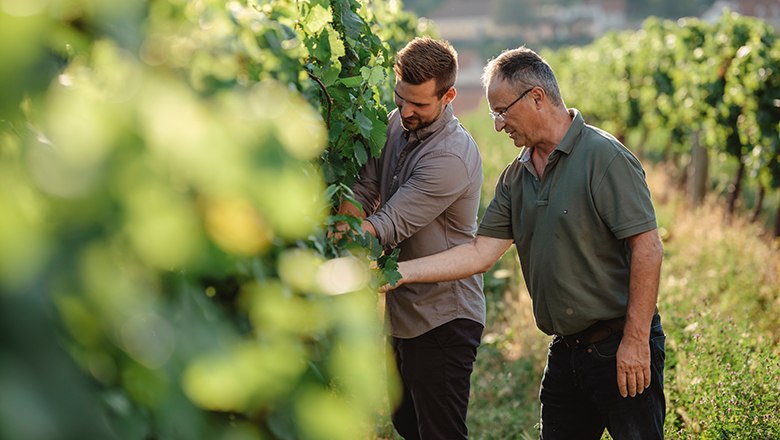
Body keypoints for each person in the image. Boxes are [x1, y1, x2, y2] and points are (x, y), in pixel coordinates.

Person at [383, 46, 666, 439]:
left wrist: (636, 341)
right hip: (566, 351)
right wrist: (395, 274)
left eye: (501, 112)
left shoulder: (604, 158)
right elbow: (480, 252)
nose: (498, 125)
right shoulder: (516, 177)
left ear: (536, 97)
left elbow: (648, 248)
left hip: (618, 345)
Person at [339, 37, 484, 439]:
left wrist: (330, 246)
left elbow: (386, 225)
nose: (406, 111)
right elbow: (365, 189)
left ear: (449, 95)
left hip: (444, 317)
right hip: (404, 311)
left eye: (419, 104)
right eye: (401, 98)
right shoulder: (395, 122)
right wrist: (343, 220)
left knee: (439, 433)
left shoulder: (451, 157)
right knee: (406, 425)